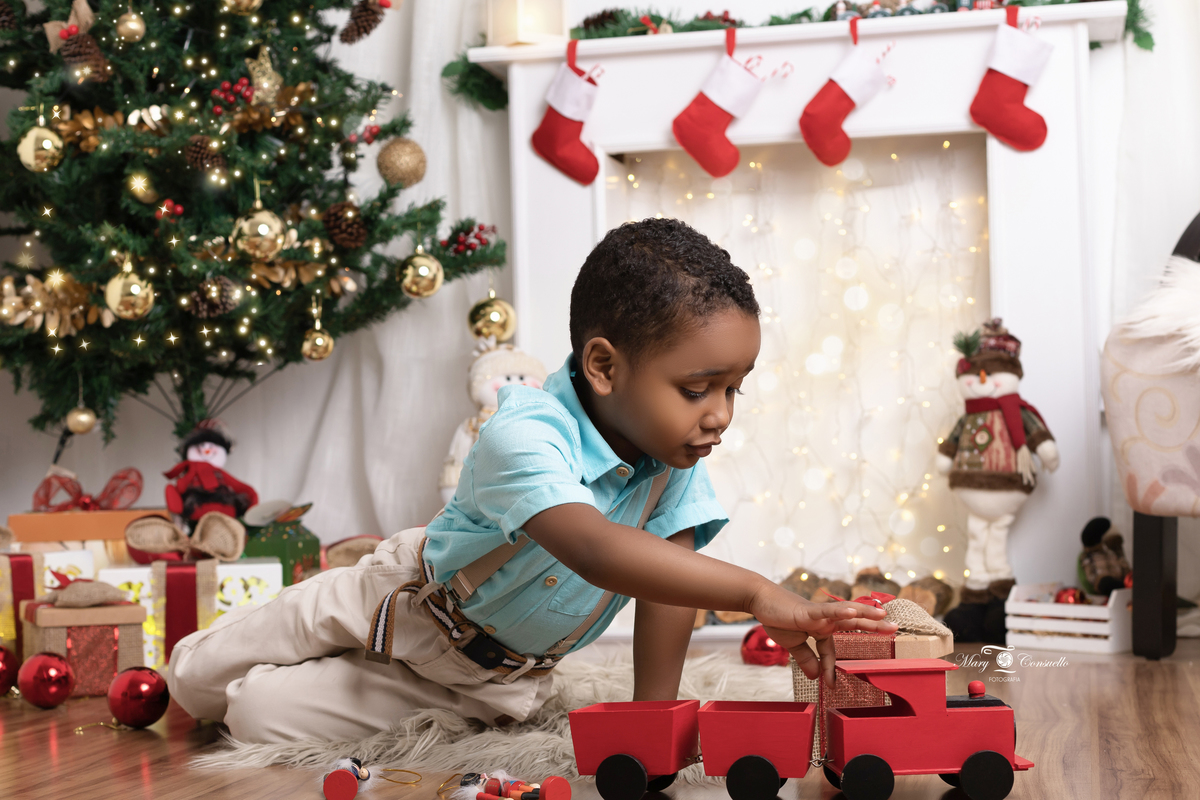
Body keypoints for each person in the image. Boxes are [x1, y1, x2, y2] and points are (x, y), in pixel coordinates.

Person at [168, 218, 896, 743]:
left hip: (496, 681)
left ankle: (286, 695)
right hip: (397, 603)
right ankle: (222, 667)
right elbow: (592, 547)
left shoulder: (672, 465)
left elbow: (667, 586)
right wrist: (759, 593)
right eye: (698, 388)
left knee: (255, 715)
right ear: (605, 367)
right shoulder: (527, 429)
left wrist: (652, 720)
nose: (719, 417)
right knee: (196, 681)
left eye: (734, 390)